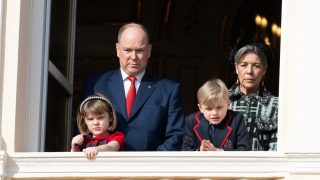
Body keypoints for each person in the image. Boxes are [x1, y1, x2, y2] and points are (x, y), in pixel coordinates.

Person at [81, 22, 185, 151]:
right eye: (128, 50)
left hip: (151, 168)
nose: (134, 57)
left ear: (149, 51)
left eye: (140, 50)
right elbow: (84, 129)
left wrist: (152, 163)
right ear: (118, 50)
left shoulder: (168, 89)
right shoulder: (96, 85)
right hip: (105, 166)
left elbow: (175, 136)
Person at [228, 40, 278, 151]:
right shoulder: (221, 100)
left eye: (256, 66)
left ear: (264, 69)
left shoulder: (275, 105)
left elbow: (276, 149)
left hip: (264, 167)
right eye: (243, 65)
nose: (249, 71)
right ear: (236, 68)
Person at [182, 78, 250, 151]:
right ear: (200, 108)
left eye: (219, 107)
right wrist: (200, 152)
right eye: (209, 109)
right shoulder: (191, 121)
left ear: (228, 105)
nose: (214, 113)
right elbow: (185, 150)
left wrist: (218, 151)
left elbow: (244, 149)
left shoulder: (237, 119)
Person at [71, 94, 124, 159]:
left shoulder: (116, 136)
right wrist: (74, 148)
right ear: (84, 121)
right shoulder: (83, 140)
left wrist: (96, 149)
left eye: (100, 118)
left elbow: (112, 147)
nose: (96, 123)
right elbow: (73, 162)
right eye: (90, 119)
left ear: (110, 117)